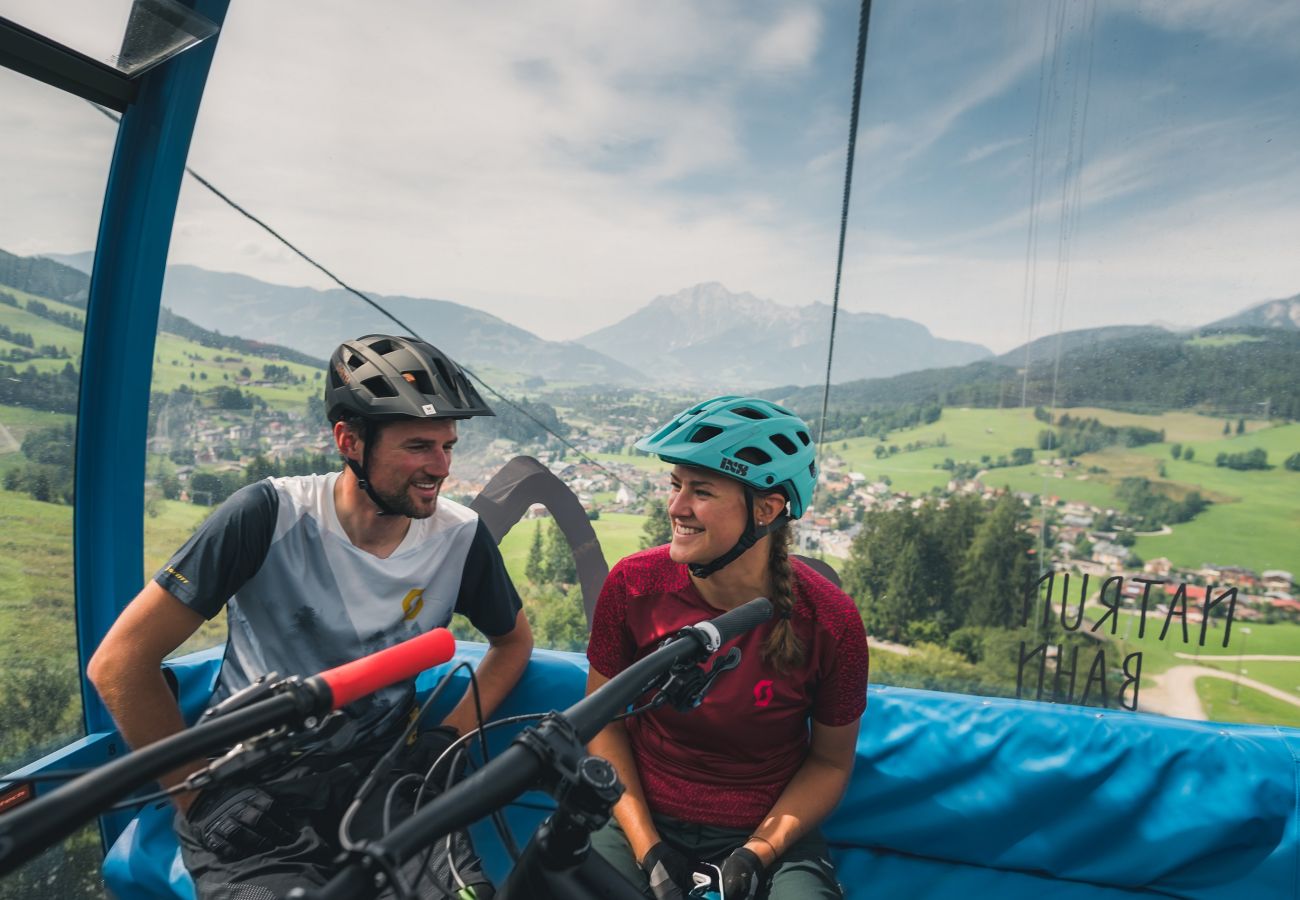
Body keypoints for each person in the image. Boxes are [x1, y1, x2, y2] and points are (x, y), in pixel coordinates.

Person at [88, 334, 534, 900]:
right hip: (250, 796)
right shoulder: (267, 515)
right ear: (349, 440)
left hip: (384, 784)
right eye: (419, 446)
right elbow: (120, 663)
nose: (441, 467)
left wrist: (443, 738)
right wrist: (197, 794)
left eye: (448, 446)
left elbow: (512, 642)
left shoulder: (460, 536)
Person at [585, 396, 868, 900]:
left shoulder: (830, 621)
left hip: (766, 826)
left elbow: (830, 762)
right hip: (641, 815)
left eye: (702, 491)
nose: (676, 507)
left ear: (767, 509)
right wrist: (648, 849)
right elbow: (602, 723)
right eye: (675, 485)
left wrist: (755, 853)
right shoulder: (632, 584)